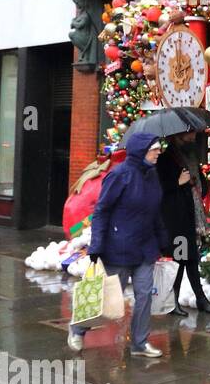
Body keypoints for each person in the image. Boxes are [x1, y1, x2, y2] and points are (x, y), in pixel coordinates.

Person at [68, 132, 171, 358]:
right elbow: (101, 212)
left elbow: (155, 212)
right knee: (107, 297)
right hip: (119, 248)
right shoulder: (119, 175)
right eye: (154, 149)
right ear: (141, 151)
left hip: (145, 247)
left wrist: (163, 241)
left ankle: (140, 343)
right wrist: (96, 246)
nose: (158, 153)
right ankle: (78, 329)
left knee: (144, 295)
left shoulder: (152, 175)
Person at [156, 131, 210, 316]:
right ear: (177, 137)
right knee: (180, 260)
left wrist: (200, 181)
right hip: (176, 220)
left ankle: (200, 299)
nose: (193, 138)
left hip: (191, 217)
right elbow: (161, 189)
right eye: (189, 135)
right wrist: (178, 182)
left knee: (190, 258)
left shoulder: (190, 158)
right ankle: (173, 302)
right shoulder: (166, 159)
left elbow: (200, 185)